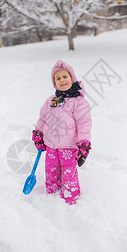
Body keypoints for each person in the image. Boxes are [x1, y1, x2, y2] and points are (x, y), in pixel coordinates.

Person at [32, 60, 92, 205]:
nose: (62, 80)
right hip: (51, 146)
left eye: (65, 76)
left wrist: (83, 144)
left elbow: (84, 123)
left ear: (72, 78)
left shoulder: (79, 102)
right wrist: (39, 133)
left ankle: (70, 199)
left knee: (68, 173)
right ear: (54, 83)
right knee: (51, 172)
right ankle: (51, 197)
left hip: (69, 147)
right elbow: (43, 119)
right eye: (58, 78)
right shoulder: (51, 100)